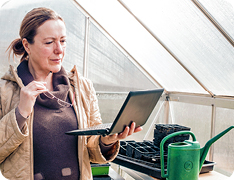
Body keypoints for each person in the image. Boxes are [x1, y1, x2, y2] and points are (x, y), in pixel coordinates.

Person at [0, 7, 142, 180]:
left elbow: (91, 150)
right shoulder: (5, 92)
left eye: (63, 40)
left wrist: (108, 141)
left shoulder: (82, 87)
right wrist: (20, 113)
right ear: (26, 45)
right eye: (49, 42)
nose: (59, 49)